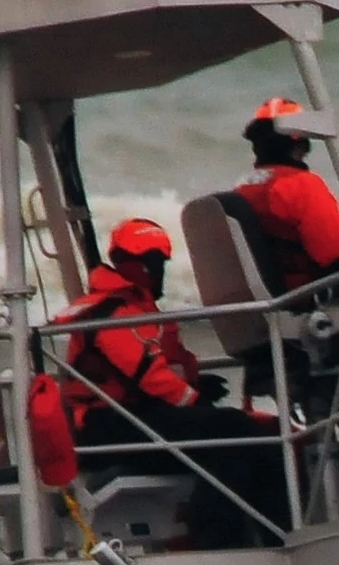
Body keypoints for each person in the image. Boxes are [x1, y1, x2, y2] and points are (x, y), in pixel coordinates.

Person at [48, 217, 290, 548]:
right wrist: (195, 399)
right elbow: (149, 376)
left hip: (134, 417)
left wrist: (197, 385)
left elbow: (165, 369)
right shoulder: (113, 313)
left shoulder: (135, 309)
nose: (159, 271)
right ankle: (221, 541)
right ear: (140, 266)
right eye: (156, 263)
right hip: (107, 426)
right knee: (232, 431)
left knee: (252, 434)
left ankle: (277, 536)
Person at [211, 98, 339, 296]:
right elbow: (337, 257)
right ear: (301, 142)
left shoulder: (243, 187)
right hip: (310, 298)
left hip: (270, 295)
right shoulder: (301, 185)